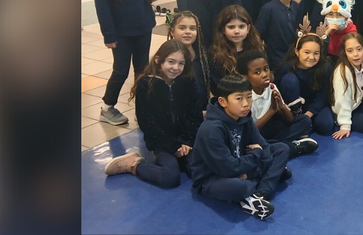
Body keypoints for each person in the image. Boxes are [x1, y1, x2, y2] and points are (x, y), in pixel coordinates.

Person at [189, 75, 292, 221]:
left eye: (249, 97)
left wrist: (248, 171)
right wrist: (256, 156)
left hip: (241, 165)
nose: (246, 104)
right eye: (239, 98)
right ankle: (266, 178)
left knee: (282, 149)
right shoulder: (211, 129)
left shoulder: (245, 117)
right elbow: (227, 168)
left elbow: (264, 147)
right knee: (239, 187)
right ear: (222, 101)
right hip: (212, 178)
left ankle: (260, 195)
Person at [103, 40, 202, 187]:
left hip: (186, 141)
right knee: (170, 178)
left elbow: (195, 115)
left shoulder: (188, 81)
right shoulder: (146, 84)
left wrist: (186, 142)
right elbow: (147, 123)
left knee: (199, 172)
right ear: (158, 60)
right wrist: (173, 146)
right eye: (171, 62)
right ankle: (134, 164)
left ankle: (180, 159)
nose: (176, 68)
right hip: (162, 141)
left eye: (181, 63)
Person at [236, 50, 318, 158]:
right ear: (245, 77)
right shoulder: (244, 97)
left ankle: (276, 146)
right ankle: (293, 147)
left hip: (273, 127)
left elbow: (290, 120)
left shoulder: (272, 87)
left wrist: (282, 106)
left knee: (305, 121)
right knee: (250, 144)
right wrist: (272, 110)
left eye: (266, 69)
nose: (265, 74)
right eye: (257, 72)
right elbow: (250, 131)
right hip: (256, 133)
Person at [275, 33, 336, 135]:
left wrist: (308, 114)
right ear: (297, 52)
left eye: (316, 53)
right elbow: (276, 90)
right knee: (289, 80)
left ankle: (305, 122)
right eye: (306, 52)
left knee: (325, 126)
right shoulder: (286, 67)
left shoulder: (325, 67)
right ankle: (297, 119)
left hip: (313, 104)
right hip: (292, 107)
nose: (311, 57)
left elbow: (323, 95)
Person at [255, 0, 309, 71]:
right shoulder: (268, 9)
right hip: (275, 58)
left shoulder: (296, 7)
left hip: (294, 55)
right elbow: (257, 33)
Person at [209, 5, 265, 89]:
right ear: (223, 30)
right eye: (231, 27)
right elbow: (218, 85)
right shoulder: (216, 54)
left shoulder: (257, 48)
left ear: (248, 28)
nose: (237, 31)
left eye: (241, 26)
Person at [166, 11, 212, 110]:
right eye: (182, 28)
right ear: (172, 31)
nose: (188, 32)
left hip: (203, 108)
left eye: (192, 28)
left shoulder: (202, 56)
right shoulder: (166, 58)